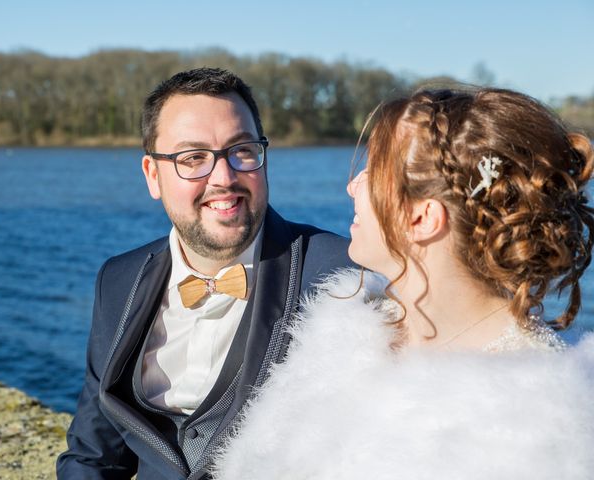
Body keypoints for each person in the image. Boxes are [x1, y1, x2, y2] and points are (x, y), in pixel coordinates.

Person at [213, 88, 594, 479]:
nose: (352, 187)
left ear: (422, 219)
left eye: (372, 173)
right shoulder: (342, 335)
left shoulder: (538, 422)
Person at [56, 67, 352, 479]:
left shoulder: (340, 276)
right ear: (152, 175)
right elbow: (93, 455)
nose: (224, 177)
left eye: (242, 150)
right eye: (192, 158)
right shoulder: (117, 280)